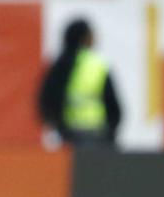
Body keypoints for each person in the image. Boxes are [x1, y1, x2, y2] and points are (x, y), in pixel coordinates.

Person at [38, 18, 122, 147]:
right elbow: (114, 106)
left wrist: (58, 127)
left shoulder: (59, 65)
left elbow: (46, 103)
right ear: (85, 38)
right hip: (97, 134)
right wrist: (110, 134)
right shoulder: (97, 65)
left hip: (68, 135)